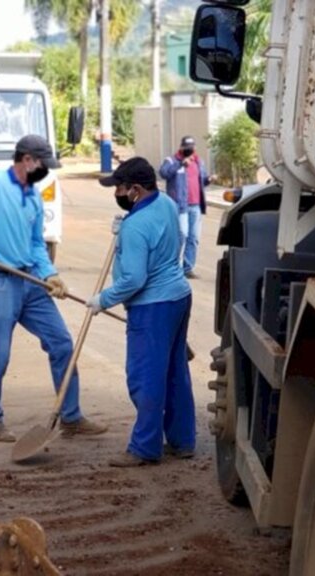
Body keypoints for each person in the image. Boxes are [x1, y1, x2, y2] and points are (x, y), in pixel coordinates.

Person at [0, 134, 107, 442]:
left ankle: (70, 416)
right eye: (44, 165)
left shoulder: (33, 197)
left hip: (31, 284)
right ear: (27, 160)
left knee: (61, 343)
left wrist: (51, 274)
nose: (47, 172)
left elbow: (36, 244)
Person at [87, 157, 194, 467]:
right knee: (174, 372)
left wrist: (103, 300)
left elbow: (134, 279)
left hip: (152, 307)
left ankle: (145, 448)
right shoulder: (166, 203)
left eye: (119, 188)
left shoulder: (136, 226)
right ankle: (182, 440)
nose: (116, 193)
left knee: (145, 377)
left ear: (134, 190)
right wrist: (127, 226)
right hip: (178, 297)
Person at [159, 136, 210, 278]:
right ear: (181, 147)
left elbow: (202, 181)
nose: (190, 150)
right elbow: (164, 173)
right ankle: (171, 266)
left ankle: (187, 268)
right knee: (181, 235)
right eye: (187, 147)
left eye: (192, 147)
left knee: (194, 238)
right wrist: (181, 164)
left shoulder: (199, 161)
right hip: (179, 205)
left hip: (195, 205)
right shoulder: (171, 160)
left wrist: (209, 180)